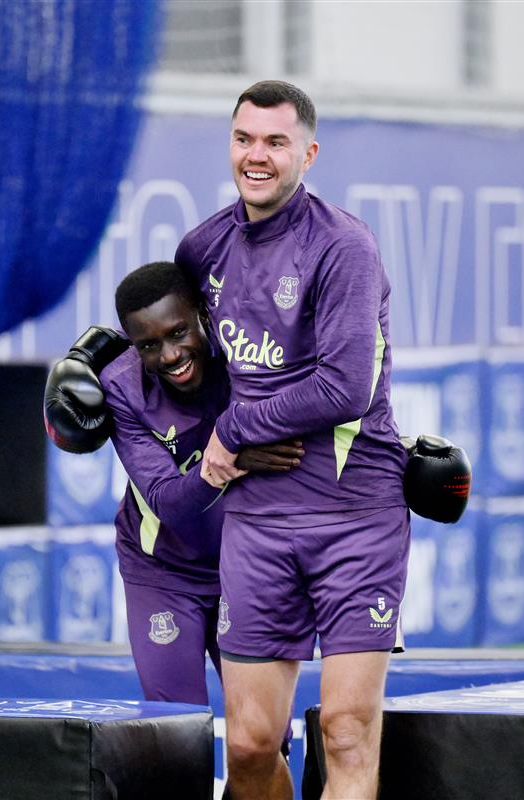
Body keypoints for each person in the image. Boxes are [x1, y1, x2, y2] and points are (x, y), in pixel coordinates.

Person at [174, 80, 409, 800]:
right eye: (245, 139)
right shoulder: (202, 247)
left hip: (355, 518)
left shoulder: (344, 246)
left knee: (343, 728)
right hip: (257, 524)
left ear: (307, 152)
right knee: (247, 745)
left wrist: (236, 429)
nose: (257, 155)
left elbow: (345, 389)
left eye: (276, 142)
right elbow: (177, 365)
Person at [44, 260, 304, 708]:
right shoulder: (122, 387)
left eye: (179, 332)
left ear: (204, 313)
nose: (168, 355)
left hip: (246, 565)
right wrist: (235, 457)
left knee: (264, 736)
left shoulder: (248, 356)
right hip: (162, 570)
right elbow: (169, 502)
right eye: (148, 345)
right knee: (174, 729)